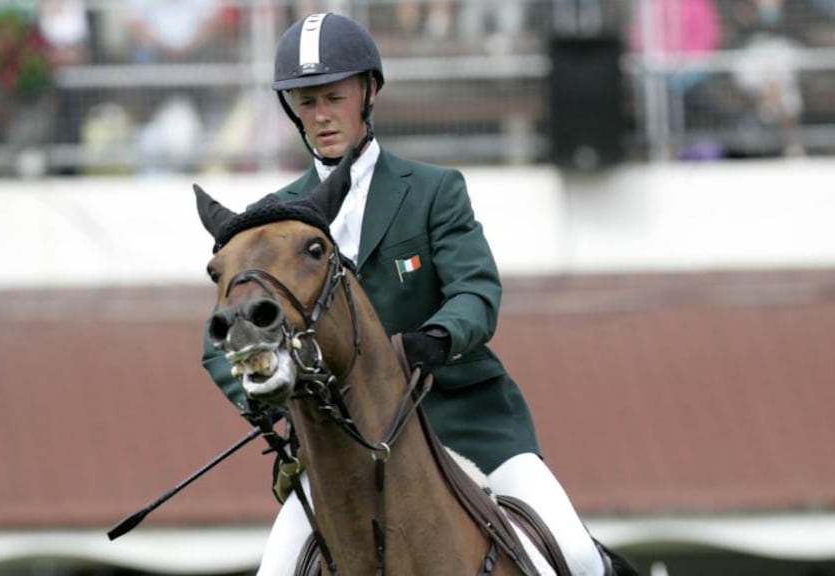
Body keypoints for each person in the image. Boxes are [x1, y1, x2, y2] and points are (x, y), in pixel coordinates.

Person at [201, 12, 611, 576]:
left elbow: (476, 291)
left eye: (333, 97)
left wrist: (435, 338)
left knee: (581, 558)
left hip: (459, 417)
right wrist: (259, 387)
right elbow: (217, 339)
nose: (320, 116)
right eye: (305, 101)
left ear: (368, 91)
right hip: (336, 443)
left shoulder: (435, 190)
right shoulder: (275, 224)